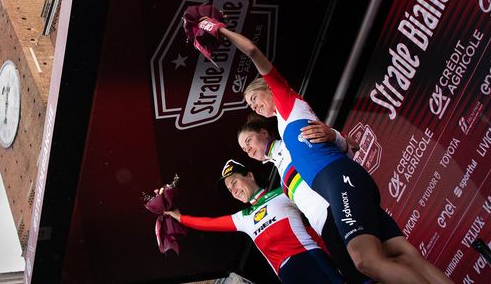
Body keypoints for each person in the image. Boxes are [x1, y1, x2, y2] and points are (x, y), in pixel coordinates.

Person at [201, 18, 453, 284]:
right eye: (251, 107)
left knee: (366, 261)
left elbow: (252, 51)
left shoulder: (285, 102)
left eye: (255, 99)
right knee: (404, 254)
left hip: (338, 183)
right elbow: (345, 146)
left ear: (267, 89)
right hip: (341, 182)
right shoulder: (285, 129)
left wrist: (220, 30)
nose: (254, 108)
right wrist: (336, 137)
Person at [239, 113, 370, 284]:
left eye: (248, 141)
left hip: (338, 210)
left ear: (264, 132)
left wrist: (337, 137)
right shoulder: (280, 174)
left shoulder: (290, 143)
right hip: (325, 227)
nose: (247, 149)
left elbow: (349, 147)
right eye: (244, 149)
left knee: (372, 265)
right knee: (360, 275)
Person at [164, 160, 344, 283]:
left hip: (310, 257)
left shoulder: (282, 192)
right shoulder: (243, 217)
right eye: (229, 189)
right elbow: (209, 223)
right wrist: (180, 217)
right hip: (286, 274)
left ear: (249, 176)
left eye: (234, 182)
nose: (233, 190)